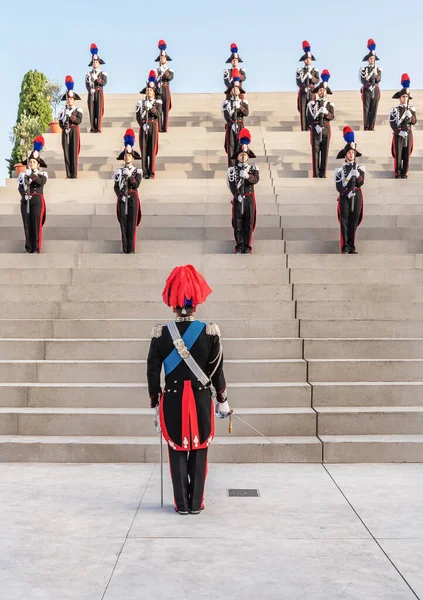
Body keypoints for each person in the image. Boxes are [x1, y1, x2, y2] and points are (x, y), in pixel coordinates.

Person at [147, 264, 230, 515]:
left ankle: (181, 504)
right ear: (196, 304)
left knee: (177, 450)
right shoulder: (210, 332)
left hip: (171, 400)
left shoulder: (160, 334)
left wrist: (155, 401)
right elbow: (217, 370)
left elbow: (152, 370)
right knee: (200, 449)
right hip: (201, 397)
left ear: (173, 305)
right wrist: (222, 400)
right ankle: (197, 504)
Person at [227, 128, 260, 254]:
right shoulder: (232, 170)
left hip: (249, 198)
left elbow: (255, 179)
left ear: (248, 156)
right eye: (240, 155)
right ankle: (239, 245)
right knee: (238, 222)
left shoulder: (253, 169)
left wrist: (248, 176)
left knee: (249, 222)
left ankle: (248, 245)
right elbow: (232, 184)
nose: (242, 157)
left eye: (244, 155)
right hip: (238, 198)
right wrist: (236, 195)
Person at [335, 127, 365, 254]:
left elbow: (362, 182)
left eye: (352, 152)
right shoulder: (339, 170)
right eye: (349, 153)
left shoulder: (360, 167)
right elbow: (338, 186)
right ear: (345, 155)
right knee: (345, 220)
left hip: (357, 194)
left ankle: (352, 245)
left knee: (354, 220)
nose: (351, 154)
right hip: (345, 196)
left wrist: (357, 174)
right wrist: (347, 193)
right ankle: (345, 246)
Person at [113, 129, 142, 254]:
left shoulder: (137, 171)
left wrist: (129, 176)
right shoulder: (118, 172)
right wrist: (120, 195)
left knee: (132, 224)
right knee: (123, 224)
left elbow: (136, 184)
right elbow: (116, 186)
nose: (127, 157)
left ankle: (132, 248)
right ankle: (125, 248)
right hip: (123, 198)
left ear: (133, 157)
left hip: (132, 198)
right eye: (125, 155)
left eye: (129, 155)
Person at [17, 137, 47, 254]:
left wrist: (31, 175)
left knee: (36, 224)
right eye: (30, 161)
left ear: (38, 164)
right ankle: (28, 247)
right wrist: (24, 194)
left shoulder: (42, 174)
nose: (31, 163)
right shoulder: (23, 174)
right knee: (27, 224)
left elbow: (41, 182)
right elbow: (20, 186)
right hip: (26, 200)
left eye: (33, 162)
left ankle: (36, 247)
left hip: (37, 200)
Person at [306, 70, 334, 178]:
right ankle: (316, 173)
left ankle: (323, 173)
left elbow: (332, 116)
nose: (322, 92)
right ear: (318, 92)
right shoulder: (312, 104)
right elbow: (309, 117)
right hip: (316, 128)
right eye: (320, 90)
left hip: (326, 127)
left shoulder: (330, 104)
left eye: (324, 90)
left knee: (325, 150)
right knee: (315, 151)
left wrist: (326, 113)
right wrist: (315, 125)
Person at [390, 74, 417, 179]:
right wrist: (398, 132)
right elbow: (392, 123)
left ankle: (404, 172)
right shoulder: (394, 110)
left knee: (406, 154)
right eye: (403, 96)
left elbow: (414, 121)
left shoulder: (411, 109)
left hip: (408, 133)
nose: (405, 98)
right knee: (398, 154)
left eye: (406, 96)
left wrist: (411, 116)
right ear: (399, 98)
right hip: (398, 134)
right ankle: (397, 172)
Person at [136, 71, 163, 179]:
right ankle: (144, 171)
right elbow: (138, 116)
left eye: (150, 90)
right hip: (144, 126)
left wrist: (151, 107)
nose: (148, 92)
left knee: (152, 149)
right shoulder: (140, 103)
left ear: (154, 92)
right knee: (144, 148)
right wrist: (142, 124)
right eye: (147, 90)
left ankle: (151, 171)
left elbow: (158, 114)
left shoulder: (158, 103)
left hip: (153, 125)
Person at [222, 70, 249, 167]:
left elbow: (246, 113)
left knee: (240, 147)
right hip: (231, 125)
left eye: (236, 89)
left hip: (240, 124)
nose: (234, 90)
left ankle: (239, 166)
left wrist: (240, 107)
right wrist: (231, 124)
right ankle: (231, 167)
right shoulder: (226, 103)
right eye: (233, 89)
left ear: (239, 90)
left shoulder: (243, 102)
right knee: (231, 147)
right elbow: (226, 115)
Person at [58, 75, 83, 179]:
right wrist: (64, 118)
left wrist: (71, 116)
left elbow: (79, 121)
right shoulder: (62, 111)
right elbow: (60, 124)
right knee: (66, 152)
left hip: (74, 130)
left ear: (74, 100)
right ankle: (68, 174)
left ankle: (74, 174)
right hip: (66, 131)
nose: (70, 100)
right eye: (68, 99)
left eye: (72, 99)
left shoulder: (78, 110)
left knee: (73, 152)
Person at [296, 40, 319, 131]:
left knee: (312, 109)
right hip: (303, 92)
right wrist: (303, 87)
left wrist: (311, 78)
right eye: (306, 59)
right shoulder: (300, 70)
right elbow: (298, 81)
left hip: (312, 91)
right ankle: (304, 128)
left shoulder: (314, 70)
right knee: (303, 110)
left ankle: (312, 128)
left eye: (309, 59)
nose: (307, 60)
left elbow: (317, 80)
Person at [360, 39, 382, 131]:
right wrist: (368, 84)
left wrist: (376, 77)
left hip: (375, 89)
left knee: (374, 108)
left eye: (373, 58)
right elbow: (363, 79)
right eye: (370, 58)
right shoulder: (363, 69)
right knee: (366, 108)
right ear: (368, 60)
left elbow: (379, 79)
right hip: (367, 90)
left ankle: (372, 126)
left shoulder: (378, 69)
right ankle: (366, 126)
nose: (372, 60)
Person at [85, 43, 107, 133]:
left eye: (96, 62)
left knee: (98, 110)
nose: (95, 63)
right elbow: (87, 84)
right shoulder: (88, 74)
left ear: (99, 63)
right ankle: (92, 127)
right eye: (94, 62)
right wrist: (90, 89)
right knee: (92, 110)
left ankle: (98, 127)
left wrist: (97, 79)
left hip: (99, 91)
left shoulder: (102, 73)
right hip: (92, 92)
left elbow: (104, 82)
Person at [155, 40, 174, 133]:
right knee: (158, 107)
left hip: (166, 88)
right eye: (161, 58)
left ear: (166, 59)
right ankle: (158, 127)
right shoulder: (156, 70)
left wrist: (165, 72)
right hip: (158, 89)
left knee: (165, 108)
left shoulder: (169, 69)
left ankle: (165, 127)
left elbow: (170, 78)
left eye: (163, 58)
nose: (162, 59)